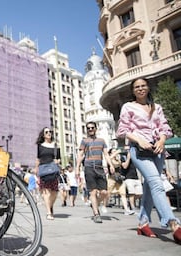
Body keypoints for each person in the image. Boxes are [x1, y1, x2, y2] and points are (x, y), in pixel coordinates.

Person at [116, 77, 180, 244]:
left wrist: (162, 140)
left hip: (157, 151)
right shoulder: (128, 107)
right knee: (156, 183)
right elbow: (122, 130)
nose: (140, 89)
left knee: (150, 187)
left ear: (148, 88)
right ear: (133, 91)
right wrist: (138, 140)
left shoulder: (156, 107)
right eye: (137, 87)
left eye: (143, 86)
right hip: (139, 151)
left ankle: (143, 223)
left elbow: (165, 127)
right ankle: (174, 225)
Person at [75, 121, 115, 223]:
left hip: (99, 167)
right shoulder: (84, 141)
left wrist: (110, 165)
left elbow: (106, 154)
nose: (90, 130)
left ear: (96, 129)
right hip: (89, 167)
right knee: (92, 192)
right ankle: (96, 214)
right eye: (88, 128)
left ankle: (94, 204)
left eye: (92, 128)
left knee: (104, 192)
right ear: (86, 130)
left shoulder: (101, 141)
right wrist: (77, 168)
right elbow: (80, 155)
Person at [35, 127, 61, 220]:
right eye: (47, 132)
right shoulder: (40, 146)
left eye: (50, 132)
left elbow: (58, 158)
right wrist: (36, 170)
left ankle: (49, 206)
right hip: (43, 170)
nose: (49, 133)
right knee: (46, 192)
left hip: (53, 170)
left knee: (54, 192)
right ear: (43, 134)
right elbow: (38, 159)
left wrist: (57, 161)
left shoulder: (56, 146)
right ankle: (49, 212)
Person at [106, 148, 134, 215]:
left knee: (123, 194)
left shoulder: (118, 159)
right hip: (111, 179)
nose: (116, 153)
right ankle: (101, 204)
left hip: (119, 179)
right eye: (113, 152)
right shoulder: (110, 160)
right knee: (107, 193)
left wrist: (127, 157)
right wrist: (116, 152)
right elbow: (108, 159)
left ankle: (126, 209)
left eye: (116, 152)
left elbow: (124, 166)